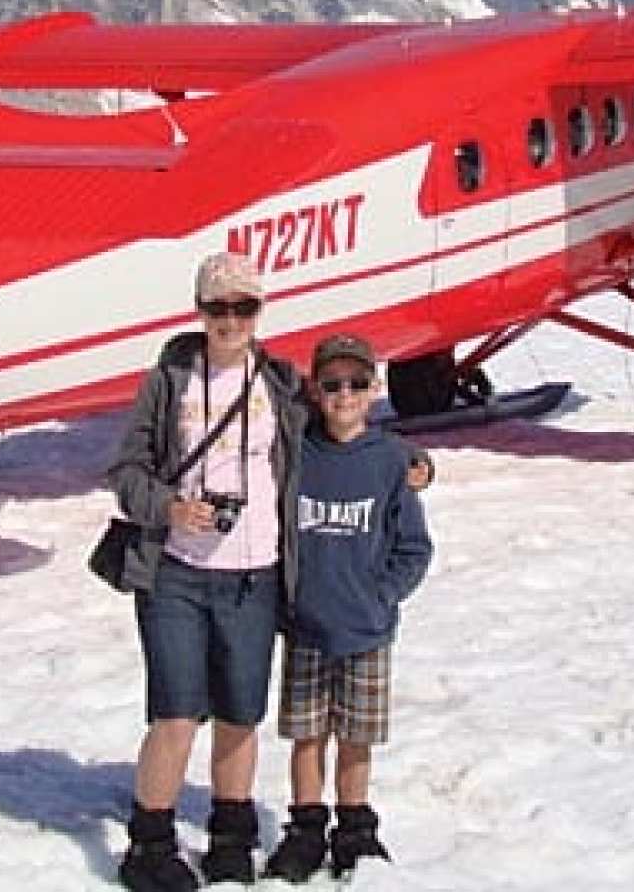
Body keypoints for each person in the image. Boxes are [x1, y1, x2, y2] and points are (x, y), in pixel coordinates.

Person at [106, 251, 310, 891]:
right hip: (177, 574)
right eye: (217, 308)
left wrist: (408, 465)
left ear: (259, 311)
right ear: (199, 311)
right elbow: (126, 472)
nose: (229, 321)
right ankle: (150, 843)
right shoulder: (170, 380)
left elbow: (340, 434)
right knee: (175, 713)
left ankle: (230, 837)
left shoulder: (279, 383)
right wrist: (170, 507)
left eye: (243, 308)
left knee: (240, 714)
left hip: (256, 573)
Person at [264, 333, 433, 884]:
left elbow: (413, 546)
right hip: (307, 625)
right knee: (307, 735)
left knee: (356, 735)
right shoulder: (296, 452)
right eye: (332, 384)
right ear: (316, 390)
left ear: (373, 388)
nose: (344, 395)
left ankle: (354, 827)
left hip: (366, 628)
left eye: (357, 384)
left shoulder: (388, 459)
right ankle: (307, 826)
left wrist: (380, 594)